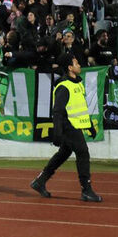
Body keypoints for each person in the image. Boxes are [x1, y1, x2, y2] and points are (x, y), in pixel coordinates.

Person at [30, 53, 102, 202]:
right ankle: (86, 190)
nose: (79, 65)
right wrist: (57, 132)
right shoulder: (64, 86)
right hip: (68, 126)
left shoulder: (78, 83)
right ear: (70, 68)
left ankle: (40, 181)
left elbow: (81, 107)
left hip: (75, 125)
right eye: (76, 63)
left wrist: (89, 126)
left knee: (64, 153)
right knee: (83, 153)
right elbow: (57, 111)